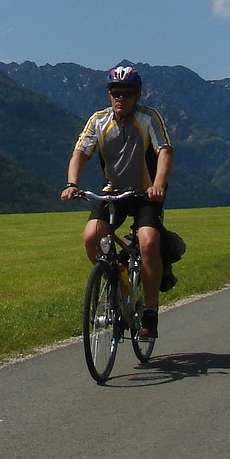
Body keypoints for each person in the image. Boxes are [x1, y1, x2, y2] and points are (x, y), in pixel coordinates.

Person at [61, 65, 174, 340]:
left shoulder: (149, 118)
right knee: (91, 236)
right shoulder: (98, 121)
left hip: (146, 193)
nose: (120, 98)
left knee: (147, 241)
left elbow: (165, 151)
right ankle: (113, 280)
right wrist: (72, 184)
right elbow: (80, 153)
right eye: (115, 93)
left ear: (137, 95)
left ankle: (149, 313)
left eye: (126, 93)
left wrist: (158, 185)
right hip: (113, 192)